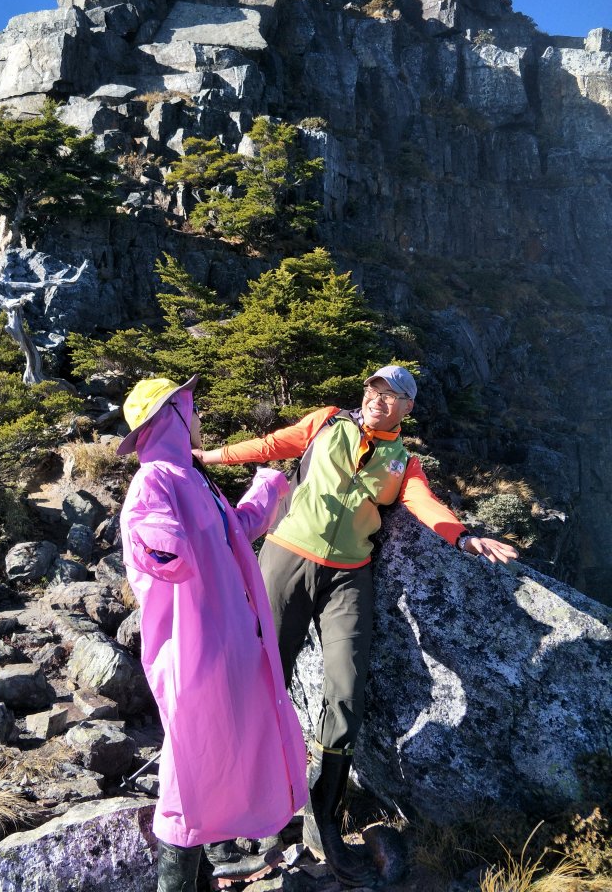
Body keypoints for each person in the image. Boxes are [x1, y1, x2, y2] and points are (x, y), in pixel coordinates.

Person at [194, 365, 519, 886]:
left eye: (393, 396)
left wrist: (463, 537)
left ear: (408, 409)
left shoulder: (404, 462)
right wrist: (207, 457)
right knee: (258, 677)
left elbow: (423, 504)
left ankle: (323, 822)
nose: (379, 399)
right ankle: (229, 818)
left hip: (350, 579)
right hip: (285, 558)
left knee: (345, 694)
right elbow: (270, 446)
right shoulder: (326, 422)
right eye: (375, 390)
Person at [116, 375, 308, 892]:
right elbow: (156, 547)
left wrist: (267, 488)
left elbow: (232, 536)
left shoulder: (193, 479)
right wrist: (160, 545)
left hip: (232, 645)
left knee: (220, 755)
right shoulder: (154, 480)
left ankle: (215, 867)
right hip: (193, 650)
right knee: (189, 769)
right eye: (192, 409)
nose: (199, 417)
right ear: (171, 416)